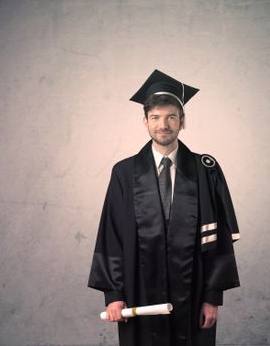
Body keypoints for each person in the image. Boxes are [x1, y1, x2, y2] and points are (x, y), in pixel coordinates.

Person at [88, 69, 240, 346]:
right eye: (155, 117)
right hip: (138, 290)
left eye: (171, 116)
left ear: (182, 121)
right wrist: (114, 294)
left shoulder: (206, 170)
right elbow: (111, 236)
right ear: (144, 121)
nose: (163, 124)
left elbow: (219, 242)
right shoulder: (124, 172)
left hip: (193, 292)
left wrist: (212, 298)